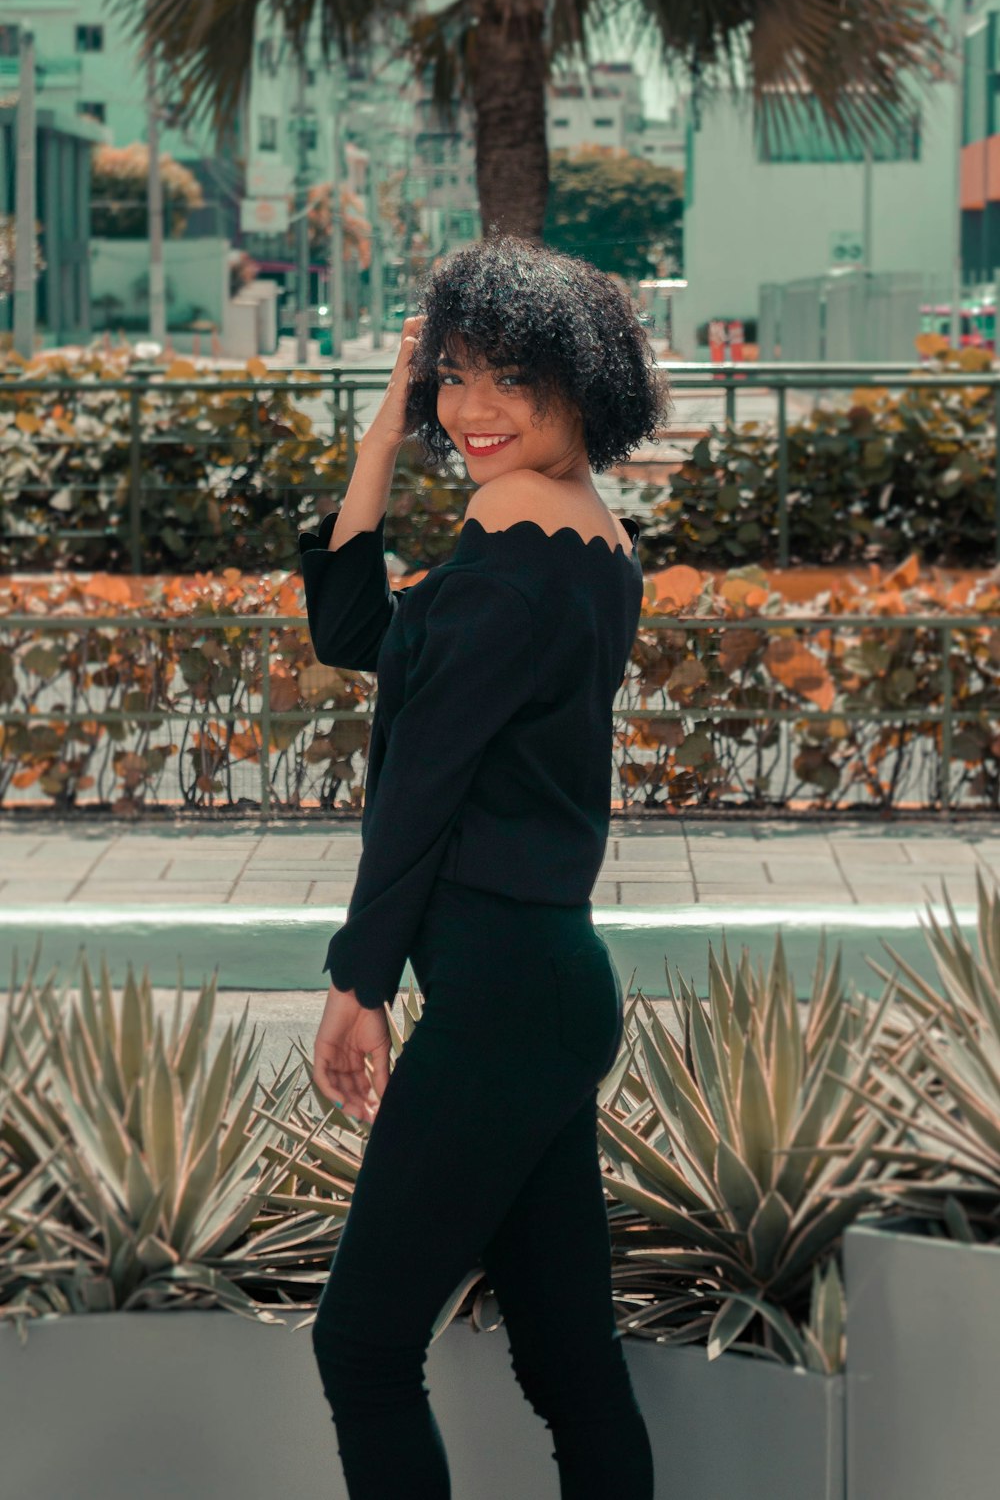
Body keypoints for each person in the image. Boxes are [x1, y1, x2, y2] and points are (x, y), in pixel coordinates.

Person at [298, 234, 669, 1499]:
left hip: (505, 992)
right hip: (547, 986)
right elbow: (357, 634)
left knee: (360, 1343)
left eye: (510, 377)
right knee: (572, 1371)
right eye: (451, 376)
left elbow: (420, 793)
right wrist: (381, 441)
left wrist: (358, 978)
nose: (472, 409)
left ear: (582, 382)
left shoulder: (508, 548)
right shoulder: (589, 542)